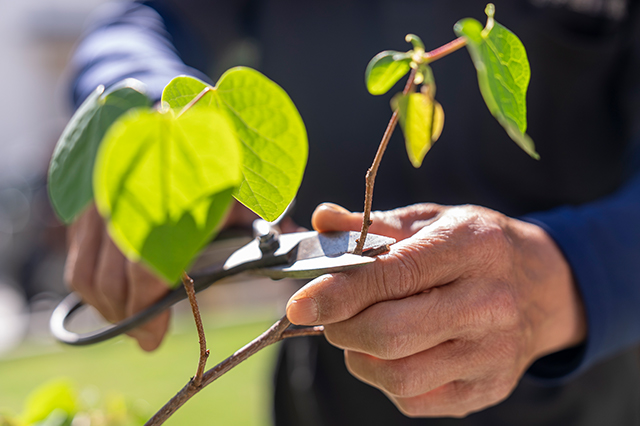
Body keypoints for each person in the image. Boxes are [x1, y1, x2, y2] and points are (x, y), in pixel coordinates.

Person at [63, 0, 640, 424]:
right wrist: (150, 132)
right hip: (322, 391)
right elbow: (150, 18)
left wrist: (569, 273)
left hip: (591, 395)